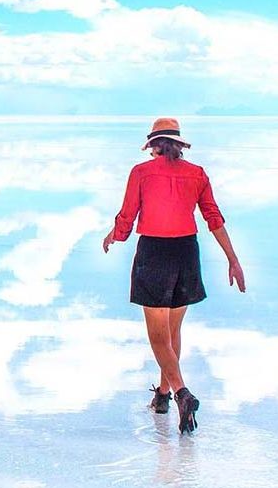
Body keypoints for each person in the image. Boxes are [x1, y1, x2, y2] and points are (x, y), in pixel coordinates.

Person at [103, 117, 246, 434]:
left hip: (154, 254)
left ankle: (181, 393)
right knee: (173, 331)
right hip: (186, 254)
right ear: (179, 146)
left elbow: (128, 216)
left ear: (153, 146)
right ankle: (164, 396)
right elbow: (213, 217)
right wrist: (232, 259)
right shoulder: (196, 174)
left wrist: (115, 235)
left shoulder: (141, 172)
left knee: (158, 336)